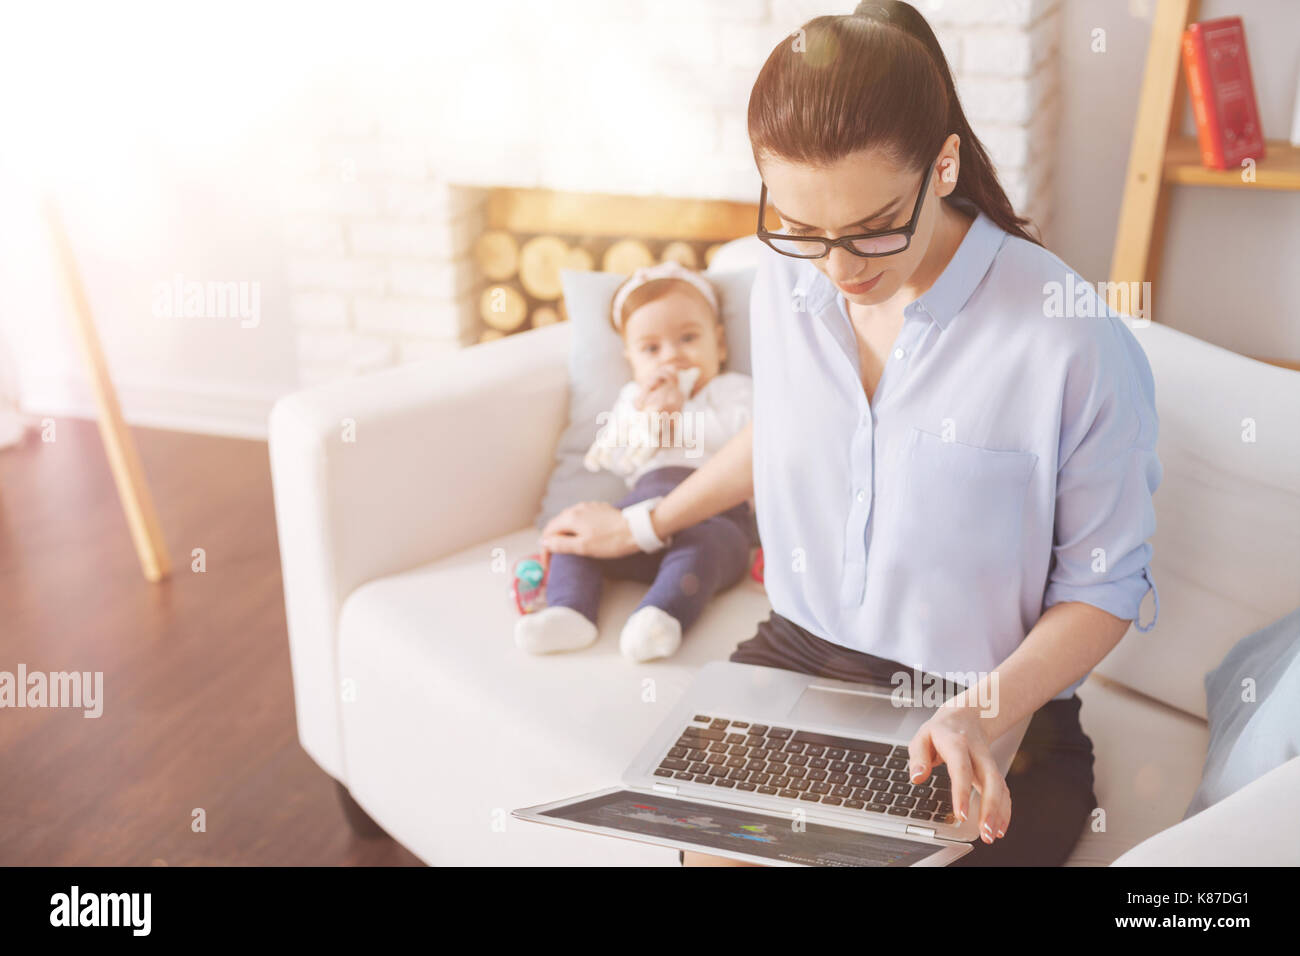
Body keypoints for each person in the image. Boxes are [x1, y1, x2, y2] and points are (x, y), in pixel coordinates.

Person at [540, 1, 1161, 867]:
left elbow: (1106, 588)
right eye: (803, 229)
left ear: (943, 165)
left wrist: (981, 713)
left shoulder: (1068, 340)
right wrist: (644, 523)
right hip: (798, 663)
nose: (839, 269)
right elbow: (789, 429)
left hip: (991, 708)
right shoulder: (787, 284)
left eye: (873, 229)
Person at [518, 261, 754, 662]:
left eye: (688, 339)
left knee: (704, 548)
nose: (672, 357)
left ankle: (660, 615)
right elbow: (618, 459)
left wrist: (683, 416)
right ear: (631, 360)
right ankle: (570, 611)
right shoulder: (633, 398)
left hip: (716, 518)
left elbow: (749, 446)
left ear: (721, 344)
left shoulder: (733, 391)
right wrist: (646, 420)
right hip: (638, 514)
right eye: (651, 349)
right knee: (577, 532)